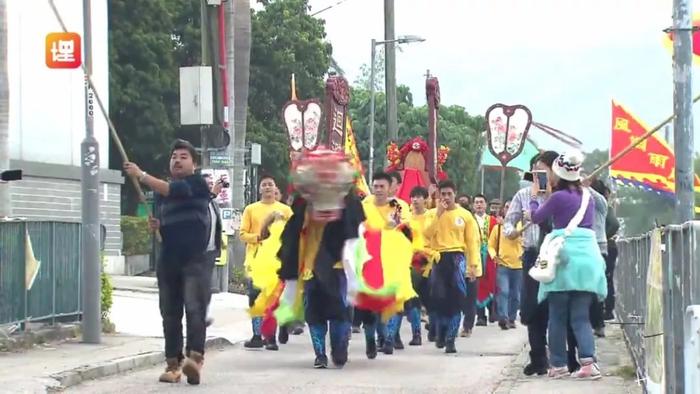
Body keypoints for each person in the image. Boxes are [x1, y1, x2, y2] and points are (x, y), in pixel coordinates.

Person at [124, 139, 219, 385]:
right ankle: (173, 365)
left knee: (194, 309)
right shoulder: (162, 192)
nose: (177, 160)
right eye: (174, 156)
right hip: (169, 259)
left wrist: (141, 174)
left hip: (195, 260)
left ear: (194, 164)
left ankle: (195, 360)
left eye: (183, 157)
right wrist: (157, 225)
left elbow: (175, 191)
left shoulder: (198, 184)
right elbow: (166, 213)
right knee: (169, 313)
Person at [276, 148, 365, 368]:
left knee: (338, 312)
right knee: (314, 313)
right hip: (310, 268)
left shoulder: (351, 203)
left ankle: (339, 348)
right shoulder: (302, 203)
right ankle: (320, 355)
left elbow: (356, 234)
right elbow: (292, 235)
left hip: (338, 268)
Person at [529, 150, 607, 380]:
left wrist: (535, 197)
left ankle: (559, 365)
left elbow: (536, 217)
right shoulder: (588, 198)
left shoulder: (557, 197)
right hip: (587, 260)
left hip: (562, 260)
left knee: (558, 316)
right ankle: (588, 364)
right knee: (581, 317)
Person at [503, 150, 559, 376]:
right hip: (531, 255)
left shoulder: (562, 196)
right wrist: (512, 232)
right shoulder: (523, 195)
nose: (539, 175)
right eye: (536, 170)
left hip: (556, 256)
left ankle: (559, 358)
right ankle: (538, 358)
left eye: (544, 170)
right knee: (532, 308)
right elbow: (509, 223)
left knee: (554, 306)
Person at [424, 180, 481, 353]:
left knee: (457, 300)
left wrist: (473, 266)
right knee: (439, 299)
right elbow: (426, 234)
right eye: (443, 194)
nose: (446, 197)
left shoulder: (465, 215)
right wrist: (438, 214)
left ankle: (450, 339)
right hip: (438, 258)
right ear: (438, 195)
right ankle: (440, 331)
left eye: (449, 194)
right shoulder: (432, 213)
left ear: (455, 193)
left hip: (457, 259)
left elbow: (472, 242)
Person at [361, 171, 413, 355]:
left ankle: (389, 339)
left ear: (390, 187)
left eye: (382, 186)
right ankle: (373, 339)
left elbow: (407, 229)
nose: (378, 190)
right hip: (370, 260)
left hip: (393, 261)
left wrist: (397, 225)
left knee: (393, 300)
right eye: (375, 186)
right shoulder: (365, 205)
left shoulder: (398, 206)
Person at [239, 175, 293, 350]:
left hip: (277, 261)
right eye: (264, 185)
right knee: (255, 298)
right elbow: (242, 234)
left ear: (275, 188)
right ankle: (257, 335)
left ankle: (270, 337)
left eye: (271, 184)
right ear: (260, 189)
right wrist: (258, 237)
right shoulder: (251, 209)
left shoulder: (285, 210)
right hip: (255, 259)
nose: (268, 187)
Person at [590, 180, 620, 320]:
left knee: (604, 280)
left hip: (605, 246)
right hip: (604, 246)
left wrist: (603, 235)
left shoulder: (602, 206)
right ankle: (603, 312)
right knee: (604, 280)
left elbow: (614, 224)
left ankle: (605, 311)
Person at [489, 206, 522, 330]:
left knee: (516, 295)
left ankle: (512, 318)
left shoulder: (521, 226)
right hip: (503, 264)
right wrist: (493, 256)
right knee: (503, 291)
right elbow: (491, 245)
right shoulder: (498, 228)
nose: (509, 209)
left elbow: (523, 241)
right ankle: (503, 317)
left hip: (518, 265)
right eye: (507, 207)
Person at [473, 194, 498, 328]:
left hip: (489, 256)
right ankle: (480, 315)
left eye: (481, 202)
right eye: (476, 202)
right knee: (477, 285)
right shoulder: (469, 220)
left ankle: (492, 310)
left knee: (491, 282)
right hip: (474, 256)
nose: (479, 205)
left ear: (486, 204)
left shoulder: (492, 220)